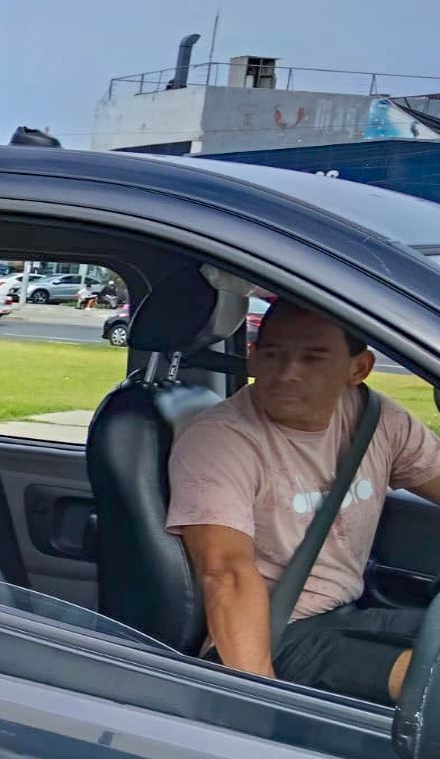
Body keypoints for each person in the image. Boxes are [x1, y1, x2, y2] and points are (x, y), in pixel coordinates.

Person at [168, 300, 440, 704]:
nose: (287, 373)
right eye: (273, 355)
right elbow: (225, 571)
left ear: (358, 368)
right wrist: (255, 698)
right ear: (253, 357)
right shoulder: (222, 440)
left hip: (347, 612)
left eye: (313, 358)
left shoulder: (376, 419)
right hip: (276, 631)